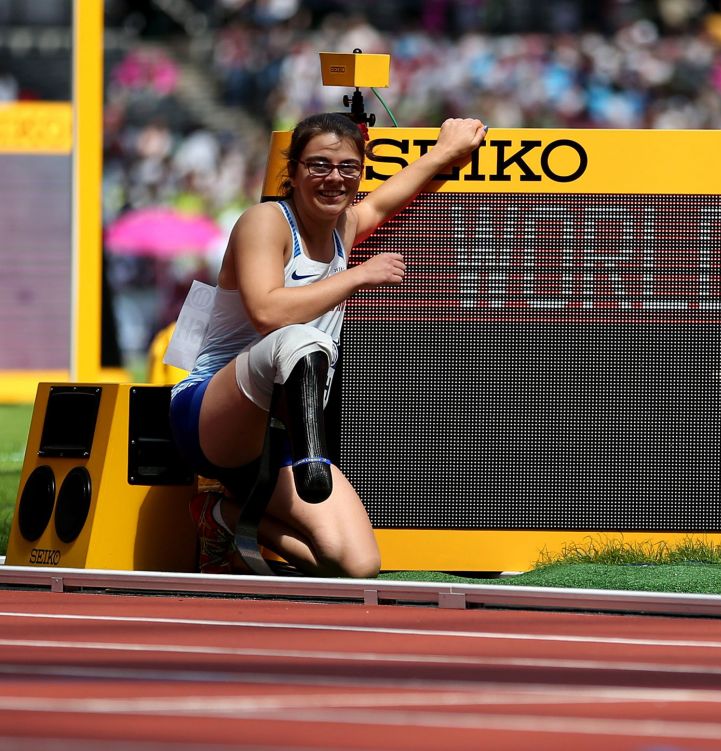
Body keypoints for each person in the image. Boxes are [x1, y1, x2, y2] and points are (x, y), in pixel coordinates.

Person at [169, 111, 487, 577]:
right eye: (318, 165)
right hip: (213, 415)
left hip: (277, 439)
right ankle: (310, 459)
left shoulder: (345, 226)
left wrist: (445, 152)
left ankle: (222, 516)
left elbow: (383, 202)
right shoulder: (265, 221)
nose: (333, 178)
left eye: (347, 168)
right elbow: (266, 312)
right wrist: (360, 275)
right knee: (297, 338)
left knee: (358, 565)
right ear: (293, 172)